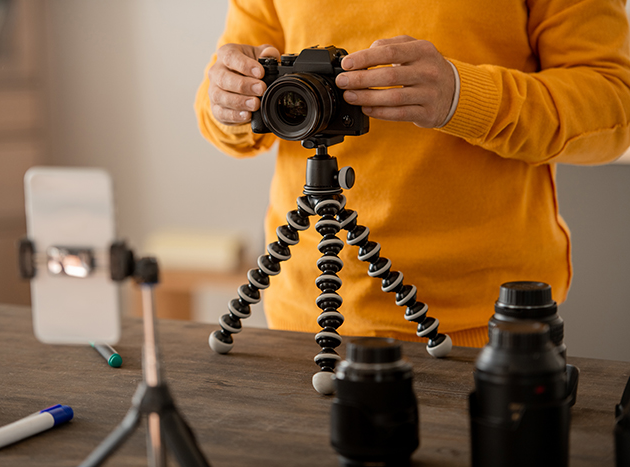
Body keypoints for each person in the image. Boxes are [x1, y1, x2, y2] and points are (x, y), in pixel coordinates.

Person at [194, 0, 630, 347]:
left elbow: (614, 105)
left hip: (489, 327)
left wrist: (463, 96)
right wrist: (229, 99)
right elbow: (224, 108)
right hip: (299, 324)